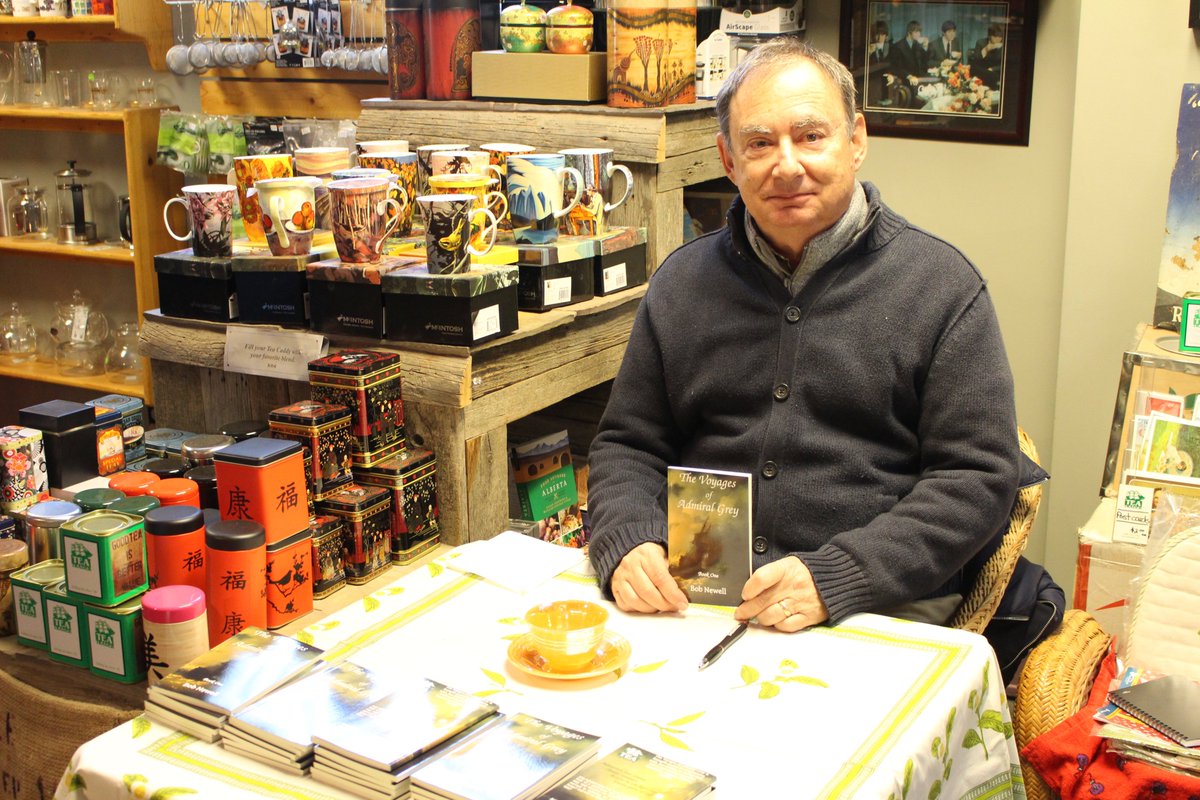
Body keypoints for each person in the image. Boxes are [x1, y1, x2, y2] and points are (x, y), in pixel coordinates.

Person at [586, 36, 1021, 634]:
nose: (787, 165)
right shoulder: (681, 283)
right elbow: (628, 445)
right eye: (759, 143)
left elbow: (975, 479)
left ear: (857, 140)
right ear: (728, 160)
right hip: (696, 598)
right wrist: (630, 538)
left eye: (811, 136)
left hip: (877, 605)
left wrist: (838, 576)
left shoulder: (943, 288)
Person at [889, 20, 929, 88]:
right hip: (904, 80)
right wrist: (909, 76)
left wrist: (925, 46)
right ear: (909, 33)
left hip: (918, 79)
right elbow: (896, 68)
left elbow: (924, 62)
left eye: (919, 32)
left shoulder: (917, 44)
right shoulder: (898, 46)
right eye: (916, 32)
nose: (919, 34)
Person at [971, 24, 1005, 89]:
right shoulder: (981, 42)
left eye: (1000, 36)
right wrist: (986, 49)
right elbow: (976, 60)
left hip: (996, 72)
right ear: (989, 36)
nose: (997, 39)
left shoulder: (1004, 45)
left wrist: (993, 69)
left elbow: (1005, 64)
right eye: (995, 36)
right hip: (982, 71)